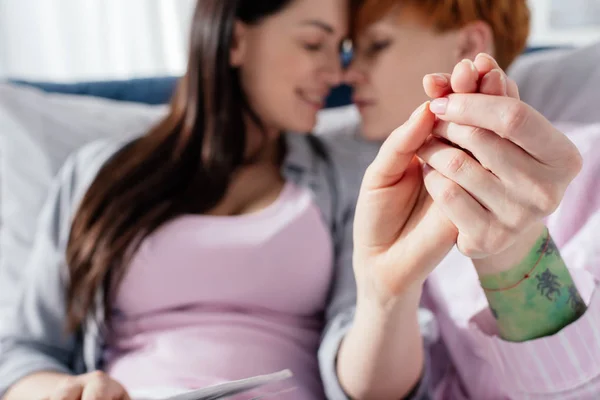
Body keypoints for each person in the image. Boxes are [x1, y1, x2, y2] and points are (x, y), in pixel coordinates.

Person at [0, 0, 369, 399]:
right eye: (314, 44)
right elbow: (23, 353)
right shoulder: (98, 173)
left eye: (341, 49)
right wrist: (66, 392)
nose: (337, 74)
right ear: (235, 41)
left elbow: (368, 344)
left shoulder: (347, 179)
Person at [329, 0, 600, 399]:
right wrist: (384, 294)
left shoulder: (584, 160)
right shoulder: (367, 198)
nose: (347, 73)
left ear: (467, 45)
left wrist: (513, 251)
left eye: (377, 45)